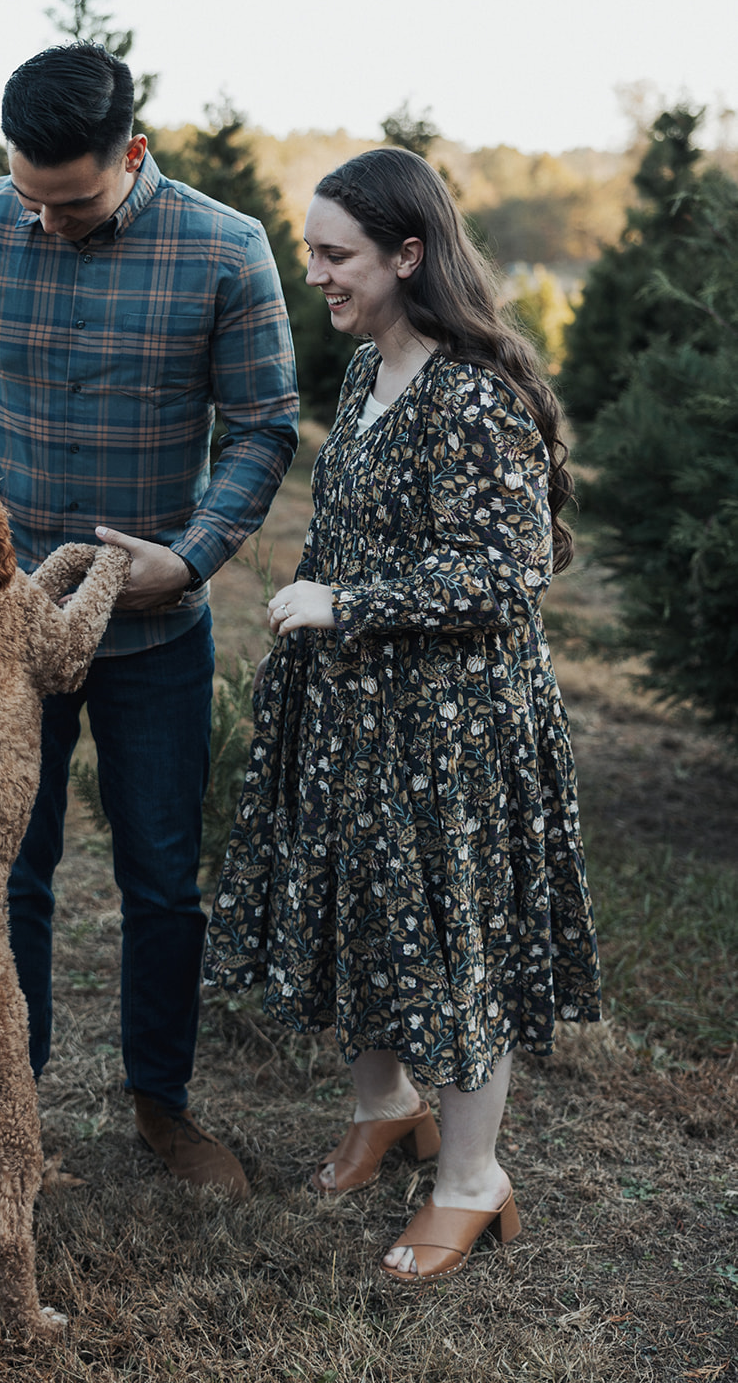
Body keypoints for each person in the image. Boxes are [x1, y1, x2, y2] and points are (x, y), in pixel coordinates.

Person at [0, 42, 299, 1204]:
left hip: (153, 629)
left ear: (131, 154)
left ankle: (161, 1105)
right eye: (27, 195)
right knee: (9, 874)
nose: (43, 222)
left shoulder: (224, 250)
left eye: (74, 200)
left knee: (159, 876)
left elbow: (261, 426)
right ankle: (5, 1109)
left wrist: (190, 555)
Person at [205, 146, 601, 1279]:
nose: (316, 273)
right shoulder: (365, 370)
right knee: (366, 910)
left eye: (337, 254)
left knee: (454, 937)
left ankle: (473, 1178)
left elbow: (503, 570)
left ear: (407, 254)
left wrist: (347, 602)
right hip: (360, 712)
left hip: (453, 731)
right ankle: (386, 1104)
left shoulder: (470, 394)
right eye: (311, 250)